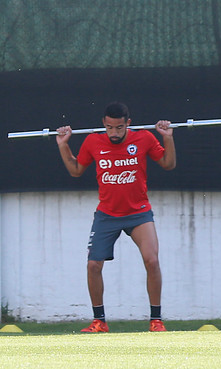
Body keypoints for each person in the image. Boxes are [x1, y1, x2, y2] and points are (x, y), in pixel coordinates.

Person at [55, 102, 175, 332]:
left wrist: (167, 137)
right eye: (110, 128)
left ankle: (156, 320)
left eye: (119, 128)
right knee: (93, 266)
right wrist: (63, 145)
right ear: (104, 124)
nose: (114, 133)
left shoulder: (144, 138)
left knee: (152, 260)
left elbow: (168, 164)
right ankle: (99, 321)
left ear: (128, 123)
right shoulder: (93, 142)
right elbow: (76, 170)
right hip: (107, 215)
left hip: (139, 213)